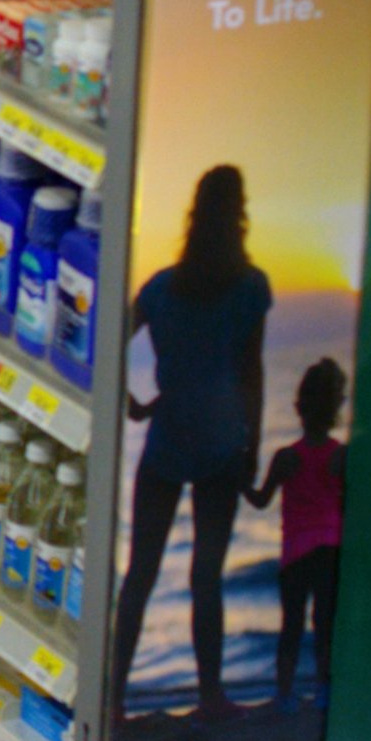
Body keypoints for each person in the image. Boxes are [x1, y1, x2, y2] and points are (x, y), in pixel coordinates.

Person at [117, 164, 268, 713]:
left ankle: (112, 698)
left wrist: (131, 403)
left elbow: (108, 344)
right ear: (239, 215)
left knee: (141, 574)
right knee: (207, 576)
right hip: (222, 443)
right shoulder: (250, 288)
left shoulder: (161, 289)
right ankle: (210, 695)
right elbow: (251, 373)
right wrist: (253, 447)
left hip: (167, 440)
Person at [248, 358, 347, 711]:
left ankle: (284, 693)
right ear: (335, 409)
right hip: (331, 549)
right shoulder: (341, 456)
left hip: (296, 552)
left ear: (299, 408)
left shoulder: (286, 457)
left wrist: (238, 478)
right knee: (325, 624)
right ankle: (323, 689)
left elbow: (260, 501)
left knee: (291, 625)